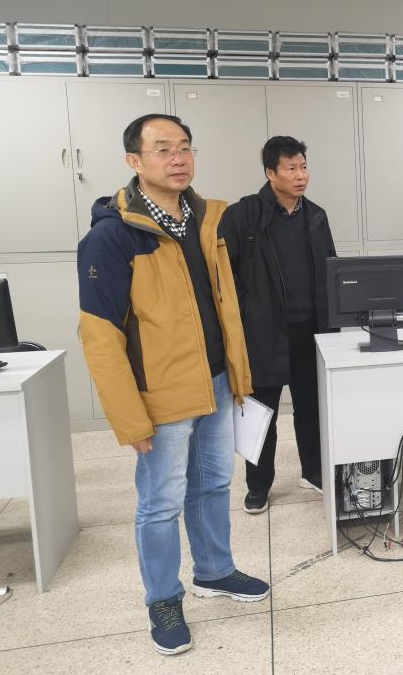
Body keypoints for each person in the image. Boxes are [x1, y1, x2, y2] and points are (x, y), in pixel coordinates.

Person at [78, 114, 268, 656]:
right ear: (134, 161)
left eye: (184, 147)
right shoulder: (113, 236)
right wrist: (129, 417)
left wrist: (238, 375)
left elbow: (223, 306)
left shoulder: (205, 219)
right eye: (162, 149)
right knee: (160, 502)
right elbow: (101, 337)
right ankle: (163, 598)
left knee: (213, 485)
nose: (178, 158)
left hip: (214, 380)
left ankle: (215, 570)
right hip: (160, 394)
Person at [219, 136, 337, 515]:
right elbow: (223, 276)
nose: (300, 175)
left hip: (309, 331)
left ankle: (313, 471)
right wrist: (248, 312)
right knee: (259, 413)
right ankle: (258, 486)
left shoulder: (316, 215)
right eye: (291, 168)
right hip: (263, 333)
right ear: (271, 173)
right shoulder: (243, 216)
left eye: (303, 167)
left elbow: (331, 271)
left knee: (311, 408)